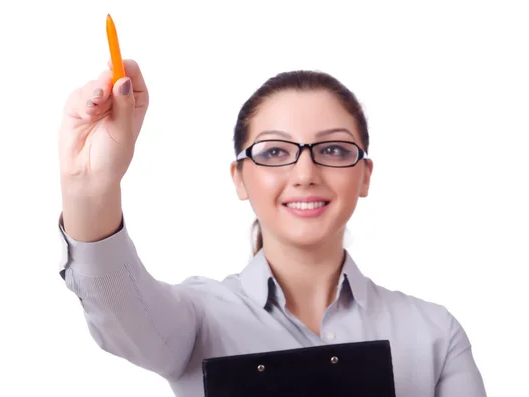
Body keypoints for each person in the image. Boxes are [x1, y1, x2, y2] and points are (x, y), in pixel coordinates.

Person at [57, 59, 487, 397]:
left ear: (365, 175)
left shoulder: (433, 335)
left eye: (334, 149)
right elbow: (118, 306)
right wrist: (89, 189)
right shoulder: (197, 322)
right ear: (240, 178)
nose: (304, 173)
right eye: (275, 151)